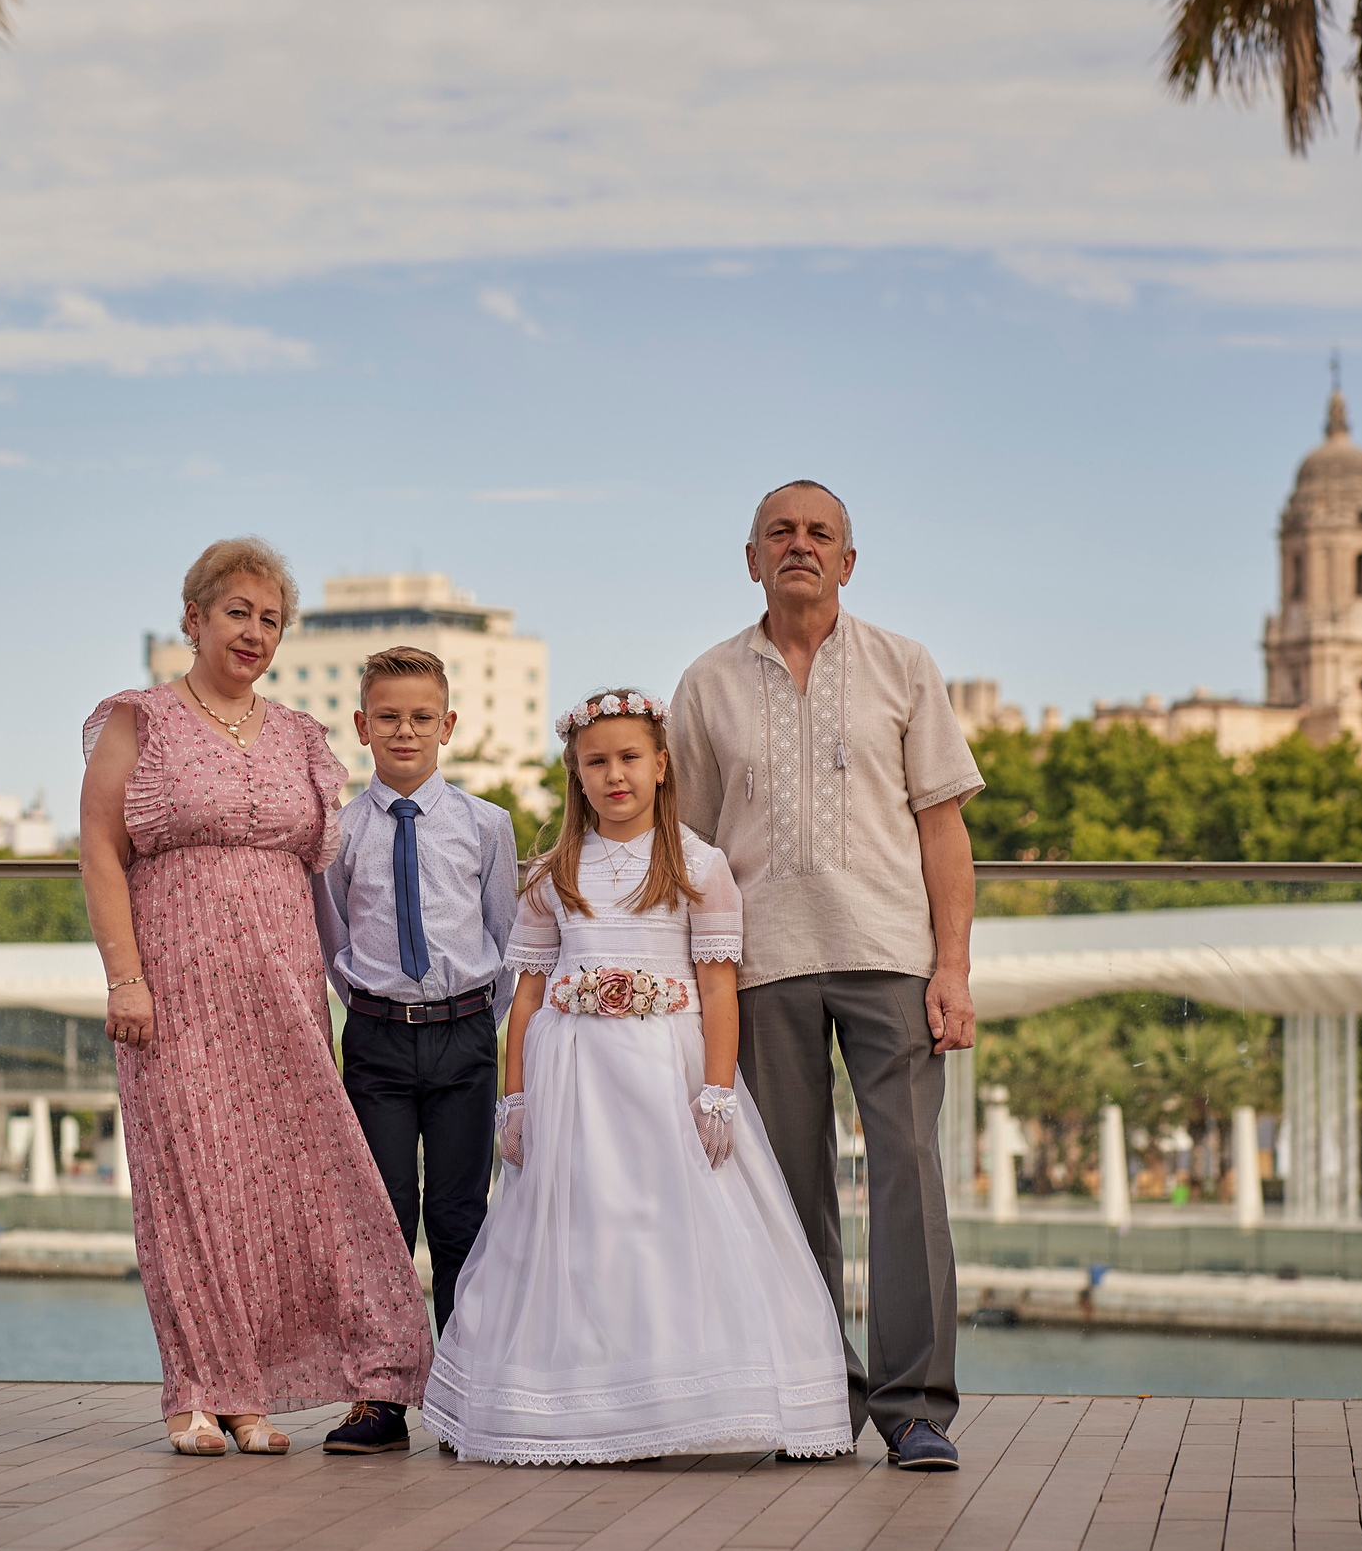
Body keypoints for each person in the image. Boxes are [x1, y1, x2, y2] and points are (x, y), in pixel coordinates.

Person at [421, 689, 853, 1465]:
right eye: (597, 761)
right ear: (576, 774)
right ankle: (573, 1401)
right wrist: (512, 1098)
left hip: (665, 1071)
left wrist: (717, 1088)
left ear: (660, 765)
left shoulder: (699, 864)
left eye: (629, 758)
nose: (614, 773)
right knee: (575, 1227)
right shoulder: (555, 871)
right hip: (574, 1074)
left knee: (662, 1226)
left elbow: (719, 987)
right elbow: (524, 998)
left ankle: (675, 1397)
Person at [80, 536, 434, 1459]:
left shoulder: (301, 739)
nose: (255, 631)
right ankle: (196, 1388)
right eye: (237, 611)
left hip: (283, 991)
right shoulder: (140, 720)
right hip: (176, 989)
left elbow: (331, 880)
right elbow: (100, 849)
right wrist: (126, 975)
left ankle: (260, 1391)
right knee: (191, 1181)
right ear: (193, 618)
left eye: (271, 618)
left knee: (286, 1187)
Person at [669, 480, 983, 1471]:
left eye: (819, 534)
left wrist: (954, 968)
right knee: (788, 1190)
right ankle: (814, 1396)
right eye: (780, 533)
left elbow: (943, 826)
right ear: (751, 557)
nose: (799, 546)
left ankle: (915, 1407)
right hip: (760, 967)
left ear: (848, 561)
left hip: (891, 957)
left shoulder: (903, 665)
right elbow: (688, 847)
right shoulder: (706, 683)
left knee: (908, 1179)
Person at [312, 645, 519, 1454]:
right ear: (362, 725)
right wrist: (374, 1010)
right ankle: (381, 1398)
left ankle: (466, 1396)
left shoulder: (486, 825)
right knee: (383, 1218)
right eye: (388, 716)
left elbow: (505, 936)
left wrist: (472, 1019)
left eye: (421, 717)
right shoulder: (340, 833)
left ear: (448, 725)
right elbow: (332, 936)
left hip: (466, 1035)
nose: (406, 730)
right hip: (377, 1043)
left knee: (462, 1216)